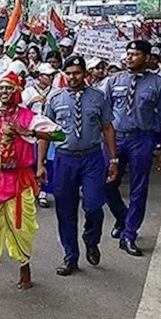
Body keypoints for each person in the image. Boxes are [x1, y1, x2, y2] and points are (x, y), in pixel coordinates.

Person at [0, 72, 59, 290]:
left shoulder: (28, 116)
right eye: (1, 88)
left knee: (22, 226)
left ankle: (25, 266)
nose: (4, 92)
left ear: (18, 91)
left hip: (20, 180)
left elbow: (60, 135)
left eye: (9, 88)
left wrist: (25, 132)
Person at [42, 55, 119, 275]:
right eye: (68, 73)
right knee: (65, 210)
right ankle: (70, 256)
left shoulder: (98, 97)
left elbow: (107, 128)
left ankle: (91, 239)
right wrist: (40, 164)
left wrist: (113, 160)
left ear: (85, 74)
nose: (72, 77)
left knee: (94, 206)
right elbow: (45, 133)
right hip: (64, 159)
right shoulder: (55, 99)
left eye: (76, 73)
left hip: (92, 158)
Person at [101, 40, 161, 256]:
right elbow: (104, 113)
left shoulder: (159, 84)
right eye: (128, 53)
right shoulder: (114, 81)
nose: (130, 57)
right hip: (116, 138)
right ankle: (123, 218)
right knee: (107, 184)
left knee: (138, 188)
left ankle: (130, 233)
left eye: (135, 54)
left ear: (147, 57)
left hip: (141, 139)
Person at [25, 63, 58, 208]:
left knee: (47, 160)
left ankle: (44, 192)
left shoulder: (56, 92)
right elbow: (20, 111)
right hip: (31, 131)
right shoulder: (28, 92)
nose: (50, 78)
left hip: (49, 130)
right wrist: (32, 102)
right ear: (39, 76)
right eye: (47, 75)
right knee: (32, 160)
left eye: (52, 75)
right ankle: (33, 189)